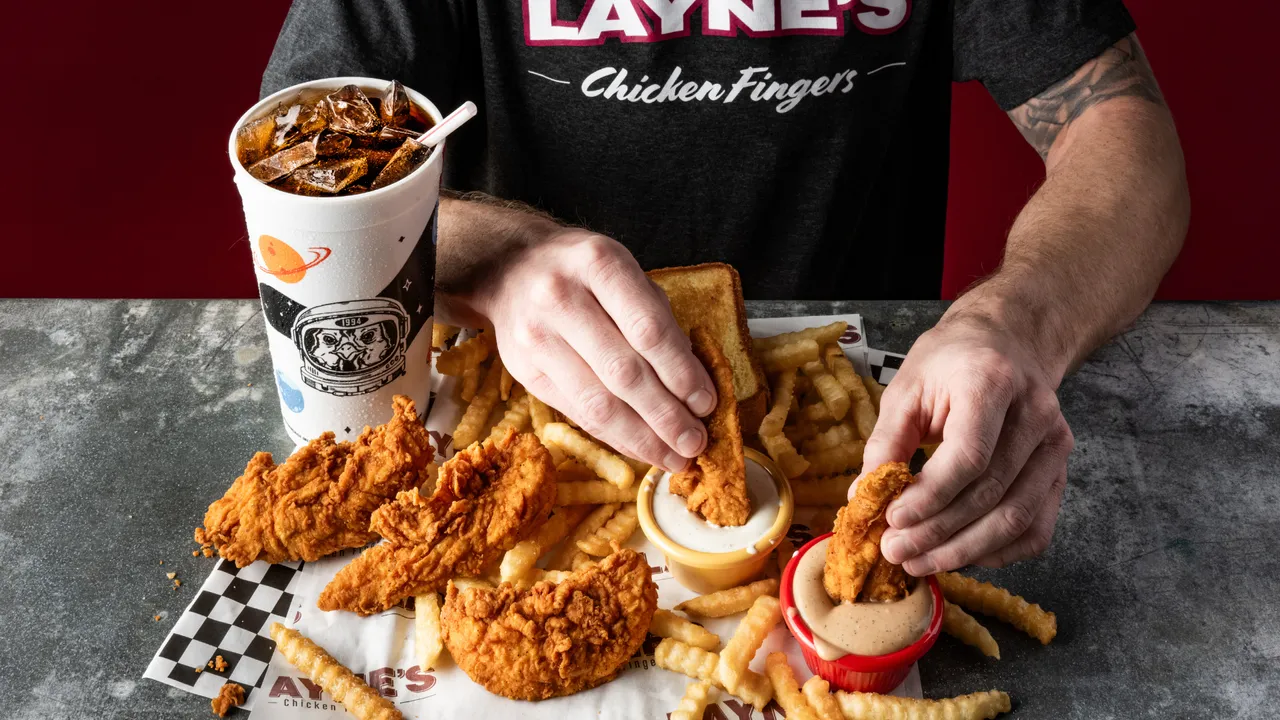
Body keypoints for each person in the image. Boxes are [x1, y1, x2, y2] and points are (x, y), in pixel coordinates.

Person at [262, 0, 1188, 575]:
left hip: (870, 458)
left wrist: (1014, 318)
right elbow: (295, 187)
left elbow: (1126, 135)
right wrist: (499, 254)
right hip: (529, 440)